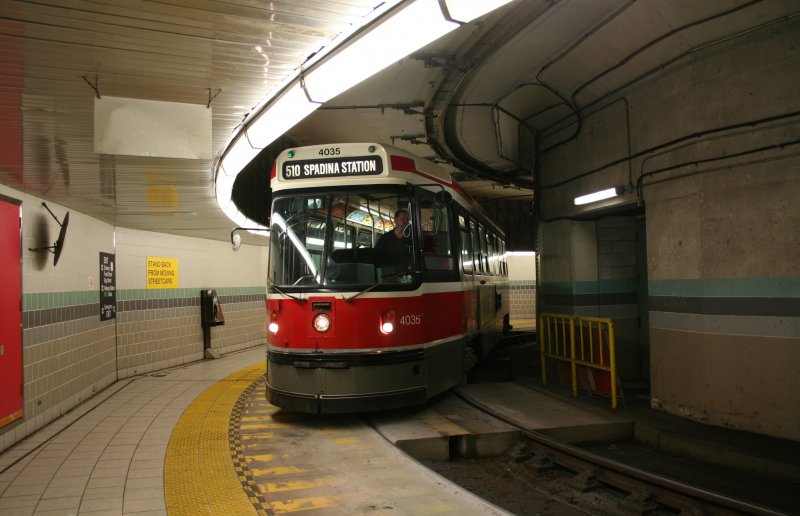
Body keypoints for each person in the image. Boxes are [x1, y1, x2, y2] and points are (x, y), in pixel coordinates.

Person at [375, 208, 413, 277]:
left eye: (407, 219)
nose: (406, 221)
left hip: (405, 275)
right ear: (395, 220)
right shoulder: (385, 238)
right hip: (388, 275)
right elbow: (376, 256)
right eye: (403, 218)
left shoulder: (410, 239)